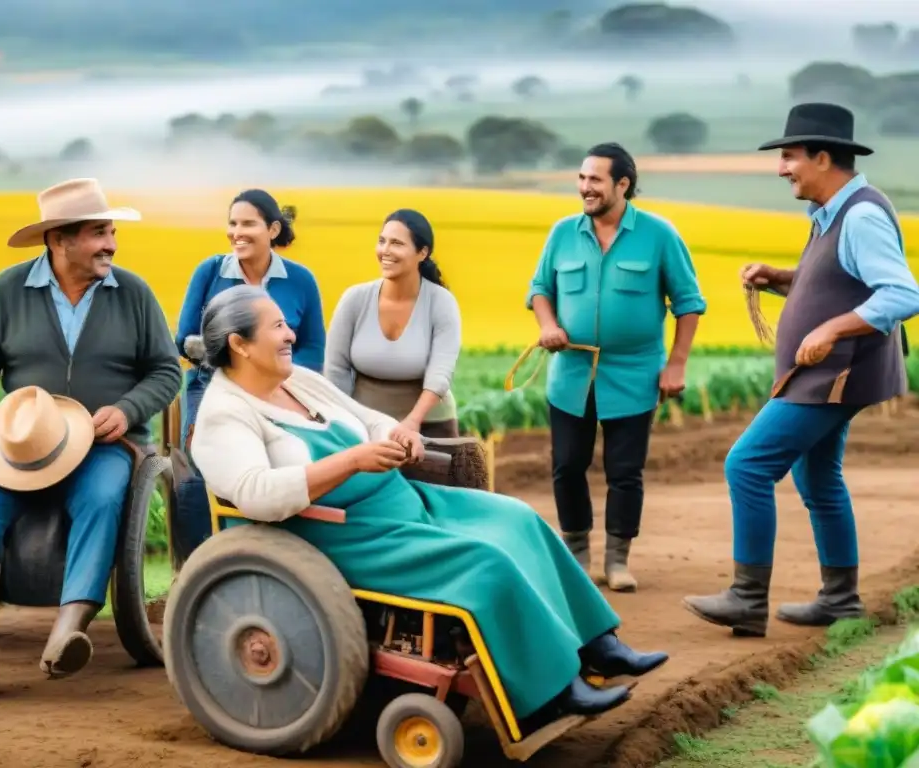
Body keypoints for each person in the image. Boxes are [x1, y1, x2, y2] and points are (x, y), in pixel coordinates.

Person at [189, 284, 670, 729]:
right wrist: (354, 460)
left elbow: (368, 418)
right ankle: (554, 691)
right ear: (240, 344)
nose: (291, 333)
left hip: (403, 501)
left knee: (518, 519)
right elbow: (256, 494)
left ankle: (598, 645)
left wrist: (394, 434)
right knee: (485, 561)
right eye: (276, 327)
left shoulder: (299, 381)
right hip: (345, 535)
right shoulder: (224, 415)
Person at [0, 178, 182, 701]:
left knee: (103, 497)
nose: (111, 243)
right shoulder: (7, 291)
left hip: (105, 445)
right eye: (98, 234)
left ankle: (68, 632)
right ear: (59, 241)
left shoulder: (133, 294)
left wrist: (127, 409)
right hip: (21, 448)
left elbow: (165, 371)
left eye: (111, 232)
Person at [684, 103, 919, 638]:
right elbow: (840, 280)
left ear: (822, 157)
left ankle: (746, 598)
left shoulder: (858, 215)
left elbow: (904, 294)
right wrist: (782, 278)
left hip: (832, 374)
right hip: (835, 374)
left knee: (746, 465)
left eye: (789, 157)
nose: (781, 168)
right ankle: (840, 599)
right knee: (818, 477)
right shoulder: (832, 212)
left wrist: (832, 329)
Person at [526, 143, 707, 592]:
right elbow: (539, 289)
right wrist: (548, 324)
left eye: (595, 180)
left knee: (625, 471)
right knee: (567, 465)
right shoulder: (563, 233)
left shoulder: (659, 235)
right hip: (570, 373)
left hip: (634, 372)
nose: (585, 187)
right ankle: (577, 553)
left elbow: (689, 303)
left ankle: (618, 560)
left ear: (622, 184)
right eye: (582, 178)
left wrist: (676, 364)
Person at [172, 189, 325, 561]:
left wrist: (271, 378)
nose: (236, 232)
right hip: (212, 386)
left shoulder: (300, 280)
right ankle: (197, 566)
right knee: (198, 467)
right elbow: (184, 339)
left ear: (273, 229)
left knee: (284, 466)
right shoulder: (210, 272)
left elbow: (313, 350)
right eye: (232, 223)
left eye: (247, 224)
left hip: (281, 392)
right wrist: (238, 365)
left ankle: (275, 561)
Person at [324, 209, 462, 439]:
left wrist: (413, 421)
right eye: (382, 241)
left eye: (397, 243)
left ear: (422, 253)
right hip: (364, 425)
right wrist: (346, 423)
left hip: (430, 425)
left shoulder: (441, 302)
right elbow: (335, 369)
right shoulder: (355, 299)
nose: (385, 250)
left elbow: (440, 373)